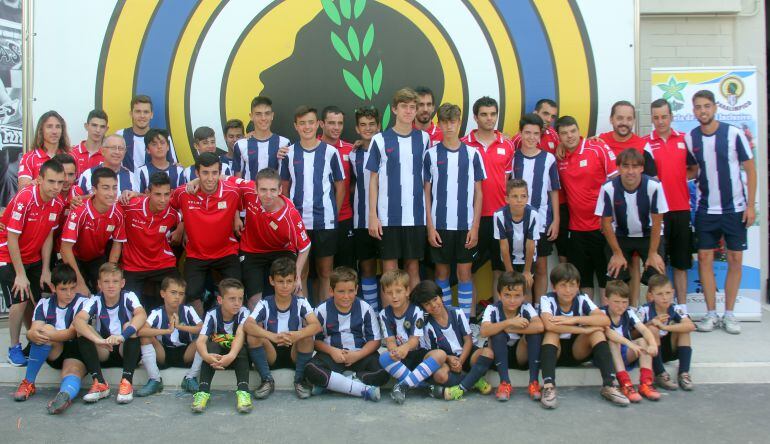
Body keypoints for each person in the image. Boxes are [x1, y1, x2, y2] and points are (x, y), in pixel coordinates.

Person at [686, 89, 756, 335]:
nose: (702, 111)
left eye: (706, 106)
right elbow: (692, 170)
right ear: (693, 110)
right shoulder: (690, 138)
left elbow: (750, 168)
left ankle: (729, 314)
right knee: (704, 259)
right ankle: (711, 313)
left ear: (715, 107)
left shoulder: (733, 133)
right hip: (706, 210)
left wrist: (750, 206)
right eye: (698, 107)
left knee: (735, 260)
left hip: (734, 209)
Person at [424, 103, 486, 318]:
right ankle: (447, 318)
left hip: (465, 225)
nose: (449, 126)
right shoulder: (431, 154)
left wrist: (475, 226)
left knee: (464, 273)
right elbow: (426, 193)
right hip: (440, 225)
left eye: (453, 122)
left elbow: (479, 192)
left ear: (459, 123)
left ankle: (466, 320)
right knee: (442, 273)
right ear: (439, 124)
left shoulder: (472, 153)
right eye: (445, 122)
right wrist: (430, 227)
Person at [1, 160, 65, 367]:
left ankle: (33, 340)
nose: (56, 187)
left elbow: (48, 235)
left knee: (39, 300)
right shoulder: (25, 198)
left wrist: (45, 269)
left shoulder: (58, 203)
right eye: (51, 181)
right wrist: (20, 274)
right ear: (39, 180)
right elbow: (11, 238)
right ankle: (13, 347)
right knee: (20, 299)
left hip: (34, 257)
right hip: (8, 255)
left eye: (60, 182)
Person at [538, 263, 629, 409]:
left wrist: (574, 319)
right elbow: (549, 325)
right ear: (554, 287)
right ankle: (548, 386)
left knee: (597, 331)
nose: (568, 290)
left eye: (572, 285)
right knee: (552, 332)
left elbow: (604, 320)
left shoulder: (582, 298)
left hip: (577, 351)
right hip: (554, 352)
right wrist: (583, 330)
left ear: (578, 286)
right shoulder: (547, 299)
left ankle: (609, 385)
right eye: (563, 285)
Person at [367, 88, 431, 291]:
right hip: (388, 216)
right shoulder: (379, 140)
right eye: (404, 107)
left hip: (415, 216)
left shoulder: (424, 139)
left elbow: (427, 181)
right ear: (394, 109)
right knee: (390, 270)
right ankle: (389, 320)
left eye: (413, 107)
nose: (409, 111)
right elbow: (373, 181)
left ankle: (415, 318)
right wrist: (373, 215)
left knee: (412, 267)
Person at [280, 106, 345, 304]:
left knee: (326, 271)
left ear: (318, 124)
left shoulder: (331, 152)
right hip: (299, 223)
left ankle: (324, 319)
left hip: (325, 222)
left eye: (310, 122)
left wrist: (334, 213)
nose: (307, 127)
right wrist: (289, 218)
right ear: (295, 126)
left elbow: (340, 186)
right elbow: (284, 188)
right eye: (302, 123)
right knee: (301, 272)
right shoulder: (288, 154)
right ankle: (304, 316)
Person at [598, 101, 659, 305]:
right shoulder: (599, 142)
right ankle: (618, 312)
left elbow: (652, 185)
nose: (624, 122)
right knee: (617, 270)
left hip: (638, 224)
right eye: (620, 118)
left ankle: (633, 309)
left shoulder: (643, 146)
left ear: (634, 120)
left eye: (629, 118)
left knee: (637, 264)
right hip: (611, 224)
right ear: (611, 119)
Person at [169, 152, 243, 315]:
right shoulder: (184, 193)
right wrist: (181, 225)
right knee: (190, 295)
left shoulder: (233, 191)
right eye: (205, 173)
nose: (210, 178)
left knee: (234, 293)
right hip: (197, 254)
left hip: (226, 252)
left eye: (214, 173)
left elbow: (250, 192)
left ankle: (227, 332)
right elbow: (165, 204)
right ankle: (201, 331)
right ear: (197, 173)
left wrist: (236, 216)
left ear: (220, 173)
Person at [226, 168, 310, 306]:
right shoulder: (247, 188)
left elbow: (305, 247)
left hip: (281, 250)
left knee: (295, 290)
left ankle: (306, 324)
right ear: (255, 189)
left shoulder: (290, 215)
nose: (268, 195)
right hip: (251, 250)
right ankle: (258, 327)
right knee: (254, 301)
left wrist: (297, 275)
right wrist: (196, 180)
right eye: (263, 190)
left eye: (272, 190)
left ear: (280, 190)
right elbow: (223, 178)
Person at [13, 264, 89, 414]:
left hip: (77, 352)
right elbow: (35, 328)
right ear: (53, 288)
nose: (69, 293)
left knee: (72, 371)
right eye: (63, 289)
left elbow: (72, 333)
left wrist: (39, 333)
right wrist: (31, 334)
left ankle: (64, 396)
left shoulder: (84, 302)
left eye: (72, 288)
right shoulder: (44, 303)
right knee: (43, 330)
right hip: (56, 351)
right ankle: (28, 383)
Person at [555, 116, 617, 299]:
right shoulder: (559, 158)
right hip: (576, 229)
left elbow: (615, 182)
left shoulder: (597, 148)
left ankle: (608, 320)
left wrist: (611, 217)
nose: (570, 136)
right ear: (559, 137)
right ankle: (588, 318)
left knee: (606, 278)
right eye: (564, 133)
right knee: (583, 279)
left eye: (573, 131)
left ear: (579, 131)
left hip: (602, 227)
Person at [304, 267, 388, 401]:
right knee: (310, 369)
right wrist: (332, 351)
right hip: (333, 355)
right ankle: (361, 388)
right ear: (331, 291)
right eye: (341, 291)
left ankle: (333, 384)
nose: (346, 296)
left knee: (383, 372)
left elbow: (375, 341)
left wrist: (358, 355)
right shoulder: (322, 310)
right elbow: (315, 341)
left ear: (356, 289)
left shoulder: (365, 308)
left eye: (350, 291)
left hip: (359, 354)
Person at [595, 148, 668, 302]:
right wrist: (617, 253)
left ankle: (656, 317)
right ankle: (619, 319)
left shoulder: (654, 186)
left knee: (658, 276)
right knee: (615, 277)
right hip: (620, 236)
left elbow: (657, 222)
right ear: (618, 168)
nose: (630, 171)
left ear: (642, 168)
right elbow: (606, 224)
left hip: (649, 235)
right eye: (626, 166)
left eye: (635, 167)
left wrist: (653, 253)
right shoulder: (608, 188)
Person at [644, 98, 698, 304]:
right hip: (657, 214)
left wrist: (679, 180)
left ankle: (682, 309)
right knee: (657, 265)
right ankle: (656, 311)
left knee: (681, 264)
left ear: (671, 117)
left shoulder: (685, 140)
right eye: (656, 117)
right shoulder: (646, 144)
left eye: (664, 117)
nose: (660, 121)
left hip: (682, 210)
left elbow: (693, 169)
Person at [244, 257, 321, 400]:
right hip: (271, 352)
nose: (285, 286)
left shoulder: (301, 302)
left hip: (294, 352)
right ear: (271, 281)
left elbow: (316, 326)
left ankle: (300, 380)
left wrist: (297, 335)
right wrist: (272, 336)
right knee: (253, 335)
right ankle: (267, 380)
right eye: (280, 281)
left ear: (295, 281)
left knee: (307, 335)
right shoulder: (265, 303)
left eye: (289, 281)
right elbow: (248, 325)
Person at [462, 97, 515, 302]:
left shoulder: (507, 144)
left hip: (500, 216)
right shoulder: (465, 144)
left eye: (493, 114)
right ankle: (473, 319)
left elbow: (506, 180)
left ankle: (497, 315)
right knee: (468, 270)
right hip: (472, 218)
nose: (489, 118)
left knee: (499, 271)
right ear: (475, 117)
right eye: (484, 114)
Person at [73, 263, 146, 405]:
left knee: (129, 326)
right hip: (105, 349)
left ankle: (127, 381)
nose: (111, 286)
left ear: (122, 283)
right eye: (106, 282)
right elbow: (78, 320)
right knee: (81, 330)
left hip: (125, 349)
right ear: (99, 284)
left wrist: (122, 336)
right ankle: (100, 383)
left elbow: (141, 315)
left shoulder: (129, 296)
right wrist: (98, 340)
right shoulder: (95, 300)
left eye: (115, 281)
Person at [411, 280, 493, 401]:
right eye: (427, 304)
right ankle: (474, 381)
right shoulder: (427, 326)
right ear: (423, 307)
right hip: (447, 359)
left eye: (435, 299)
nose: (433, 305)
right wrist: (449, 359)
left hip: (465, 354)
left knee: (488, 353)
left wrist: (461, 360)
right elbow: (433, 353)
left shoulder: (457, 312)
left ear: (441, 296)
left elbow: (468, 341)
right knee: (439, 375)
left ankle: (461, 388)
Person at [377, 269, 445, 404]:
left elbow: (415, 340)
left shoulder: (416, 311)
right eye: (389, 293)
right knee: (383, 357)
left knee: (440, 355)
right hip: (400, 360)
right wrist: (394, 351)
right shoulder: (384, 314)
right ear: (384, 294)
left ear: (407, 291)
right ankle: (425, 388)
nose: (394, 296)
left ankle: (402, 386)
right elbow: (390, 341)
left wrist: (404, 348)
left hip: (419, 355)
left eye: (398, 291)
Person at [512, 113, 560, 299]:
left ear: (541, 135)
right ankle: (523, 309)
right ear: (520, 133)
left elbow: (553, 191)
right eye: (527, 133)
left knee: (540, 267)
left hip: (541, 221)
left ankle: (540, 308)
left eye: (535, 133)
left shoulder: (548, 159)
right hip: (517, 222)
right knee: (521, 268)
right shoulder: (513, 158)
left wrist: (555, 220)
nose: (531, 137)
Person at [120, 172, 181, 309]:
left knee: (178, 293)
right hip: (133, 265)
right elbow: (106, 201)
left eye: (166, 194)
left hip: (162, 263)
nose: (163, 199)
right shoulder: (130, 206)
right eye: (157, 194)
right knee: (129, 306)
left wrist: (180, 229)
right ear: (148, 193)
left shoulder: (171, 214)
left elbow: (185, 215)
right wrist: (78, 200)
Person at [61, 167, 126, 295]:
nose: (111, 193)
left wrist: (109, 276)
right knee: (78, 293)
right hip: (74, 257)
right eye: (106, 188)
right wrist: (80, 283)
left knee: (105, 291)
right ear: (94, 190)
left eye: (114, 187)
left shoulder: (118, 211)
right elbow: (65, 248)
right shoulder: (79, 210)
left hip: (97, 258)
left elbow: (117, 244)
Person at [480, 271, 543, 402]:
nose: (512, 300)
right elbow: (484, 331)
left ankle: (533, 382)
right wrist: (509, 322)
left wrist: (509, 328)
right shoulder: (492, 308)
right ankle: (505, 383)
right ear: (499, 295)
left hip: (520, 354)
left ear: (524, 296)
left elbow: (539, 326)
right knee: (497, 334)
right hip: (497, 355)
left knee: (535, 335)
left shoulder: (526, 307)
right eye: (507, 295)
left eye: (517, 295)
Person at [191, 278, 252, 413]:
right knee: (211, 346)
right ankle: (203, 392)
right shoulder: (212, 314)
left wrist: (231, 356)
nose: (237, 303)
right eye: (232, 299)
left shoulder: (244, 312)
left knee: (241, 347)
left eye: (240, 299)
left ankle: (243, 392)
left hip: (237, 356)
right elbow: (201, 340)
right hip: (216, 359)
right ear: (220, 300)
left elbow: (240, 335)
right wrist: (206, 356)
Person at [136, 276, 203, 397]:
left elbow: (202, 328)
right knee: (145, 336)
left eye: (181, 294)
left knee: (203, 338)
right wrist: (167, 330)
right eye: (173, 292)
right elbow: (141, 331)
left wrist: (179, 327)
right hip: (163, 352)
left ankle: (190, 378)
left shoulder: (188, 310)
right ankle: (155, 379)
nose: (177, 297)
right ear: (162, 293)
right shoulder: (156, 312)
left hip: (186, 353)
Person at [601, 280, 661, 402]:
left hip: (625, 354)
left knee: (643, 341)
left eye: (624, 302)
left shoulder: (628, 312)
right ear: (606, 300)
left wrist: (653, 344)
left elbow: (644, 330)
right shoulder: (602, 313)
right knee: (613, 342)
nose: (621, 306)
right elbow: (609, 333)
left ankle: (646, 383)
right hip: (608, 357)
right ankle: (625, 384)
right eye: (616, 302)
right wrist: (629, 343)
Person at [637, 274, 696, 391]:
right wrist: (650, 323)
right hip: (652, 352)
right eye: (660, 294)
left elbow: (691, 326)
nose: (665, 297)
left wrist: (664, 327)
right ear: (651, 295)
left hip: (670, 349)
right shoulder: (644, 310)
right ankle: (660, 374)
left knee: (684, 330)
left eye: (668, 293)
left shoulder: (675, 308)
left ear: (673, 292)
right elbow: (632, 334)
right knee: (653, 329)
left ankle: (684, 373)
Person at [349, 107, 381, 310]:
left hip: (387, 219)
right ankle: (372, 312)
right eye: (363, 125)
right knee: (367, 266)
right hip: (361, 219)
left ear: (378, 126)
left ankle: (391, 314)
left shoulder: (388, 148)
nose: (367, 128)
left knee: (391, 268)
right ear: (357, 128)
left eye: (371, 124)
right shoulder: (353, 154)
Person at [319, 106, 356, 270]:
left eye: (340, 123)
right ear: (322, 124)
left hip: (344, 218)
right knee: (318, 270)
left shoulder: (351, 149)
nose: (336, 127)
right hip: (318, 220)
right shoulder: (311, 147)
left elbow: (357, 182)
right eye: (331, 123)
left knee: (345, 269)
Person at [494, 179, 539, 297]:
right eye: (514, 196)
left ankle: (528, 314)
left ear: (527, 198)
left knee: (526, 289)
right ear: (507, 199)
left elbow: (531, 245)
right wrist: (510, 272)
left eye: (523, 196)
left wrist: (527, 271)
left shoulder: (533, 214)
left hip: (527, 259)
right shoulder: (499, 216)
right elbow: (503, 246)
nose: (519, 200)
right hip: (509, 259)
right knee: (510, 289)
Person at [233, 96, 289, 181]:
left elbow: (287, 178)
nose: (263, 118)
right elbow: (237, 179)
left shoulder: (284, 143)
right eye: (258, 114)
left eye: (267, 113)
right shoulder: (240, 145)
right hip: (249, 194)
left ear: (272, 115)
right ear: (251, 116)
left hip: (274, 194)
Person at [116, 95, 177, 172]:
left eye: (146, 112)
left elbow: (172, 165)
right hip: (129, 183)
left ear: (151, 115)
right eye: (138, 111)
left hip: (154, 183)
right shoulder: (120, 135)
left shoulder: (163, 136)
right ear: (131, 114)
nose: (142, 116)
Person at [18, 111, 70, 188]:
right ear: (41, 130)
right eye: (49, 126)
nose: (54, 131)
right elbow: (22, 189)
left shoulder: (69, 155)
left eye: (58, 126)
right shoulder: (29, 158)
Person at [135, 128, 184, 193]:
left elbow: (182, 196)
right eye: (154, 144)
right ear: (148, 150)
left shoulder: (179, 170)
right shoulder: (141, 172)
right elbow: (137, 197)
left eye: (162, 143)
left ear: (168, 147)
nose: (159, 146)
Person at [71, 109, 108, 176]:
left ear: (106, 129)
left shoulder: (108, 156)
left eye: (102, 127)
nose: (98, 130)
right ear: (86, 126)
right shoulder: (72, 153)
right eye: (94, 125)